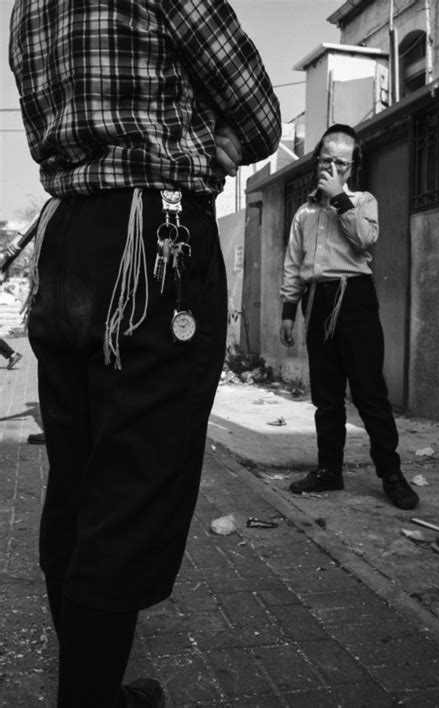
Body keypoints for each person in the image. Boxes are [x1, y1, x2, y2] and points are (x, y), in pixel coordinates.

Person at [9, 2, 281, 707]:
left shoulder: (26, 5)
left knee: (77, 479)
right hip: (150, 240)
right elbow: (257, 120)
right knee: (130, 492)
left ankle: (93, 686)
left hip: (65, 238)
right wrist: (205, 135)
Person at [280, 124, 419, 512]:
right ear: (316, 161)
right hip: (318, 300)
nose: (333, 166)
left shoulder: (363, 200)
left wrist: (339, 198)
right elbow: (294, 264)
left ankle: (391, 475)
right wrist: (289, 312)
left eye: (341, 162)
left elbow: (365, 240)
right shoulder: (304, 212)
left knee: (370, 393)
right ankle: (329, 471)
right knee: (326, 396)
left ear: (351, 167)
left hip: (355, 299)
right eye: (327, 159)